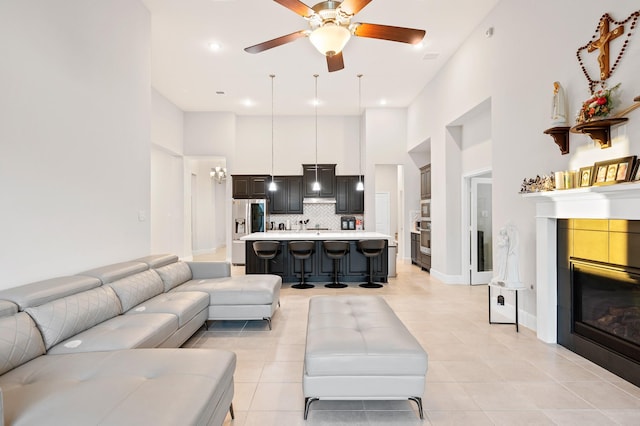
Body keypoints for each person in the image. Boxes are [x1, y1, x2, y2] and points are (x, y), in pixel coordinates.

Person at [491, 223, 522, 288]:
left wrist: (503, 243)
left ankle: (502, 276)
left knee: (504, 264)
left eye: (504, 231)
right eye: (502, 231)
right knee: (500, 264)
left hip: (504, 254)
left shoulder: (507, 237)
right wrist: (502, 243)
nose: (503, 232)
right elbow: (500, 244)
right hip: (501, 254)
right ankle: (500, 276)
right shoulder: (500, 237)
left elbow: (505, 244)